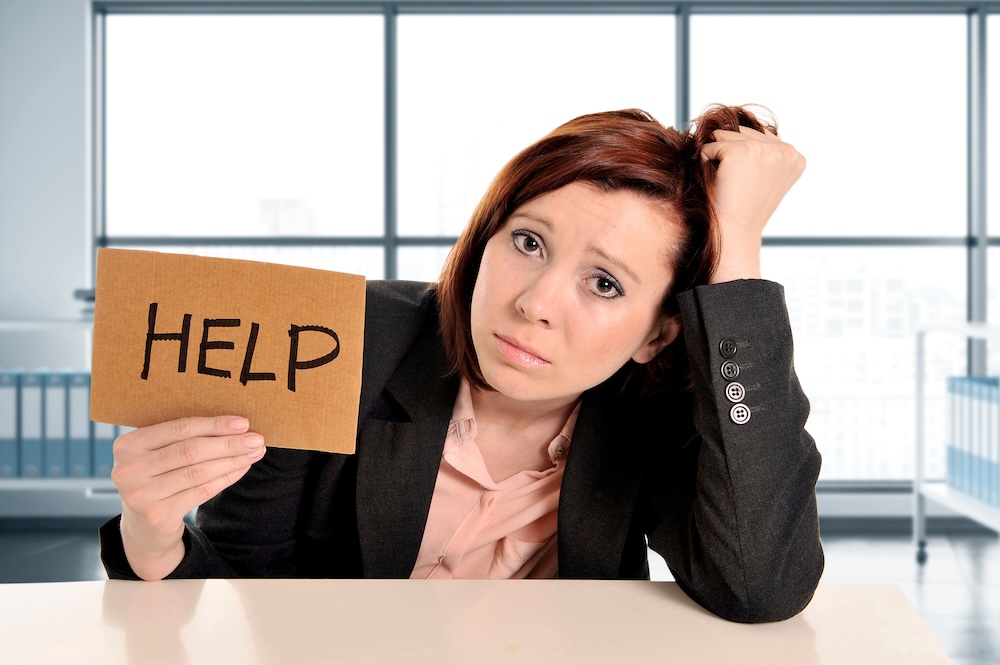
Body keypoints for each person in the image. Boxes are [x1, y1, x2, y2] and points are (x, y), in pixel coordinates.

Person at [99, 104, 824, 624]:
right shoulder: (341, 341)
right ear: (486, 237)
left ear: (657, 336)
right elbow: (242, 597)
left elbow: (760, 586)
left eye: (604, 284)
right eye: (529, 243)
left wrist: (735, 254)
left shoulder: (658, 406)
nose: (535, 302)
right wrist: (151, 535)